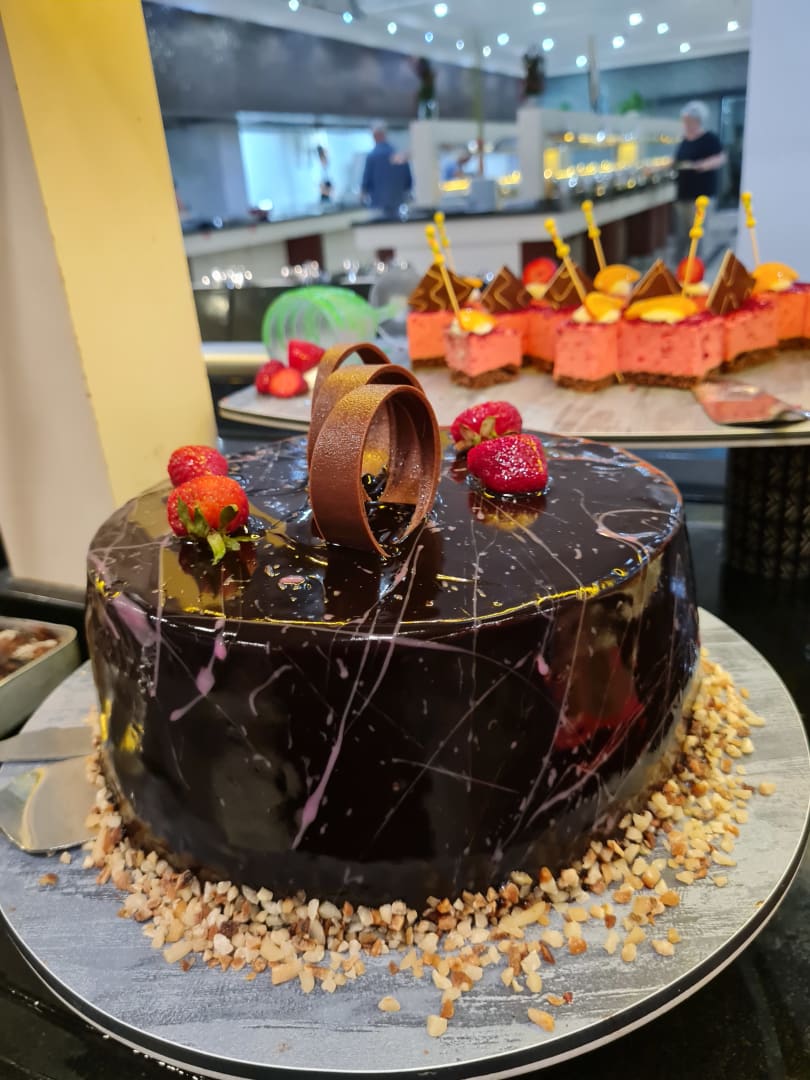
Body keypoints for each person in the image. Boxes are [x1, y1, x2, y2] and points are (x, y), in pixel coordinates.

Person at [673, 101, 726, 259]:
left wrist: (702, 165)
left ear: (697, 121)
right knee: (682, 231)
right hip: (683, 192)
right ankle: (681, 263)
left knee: (697, 231)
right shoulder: (685, 140)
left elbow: (721, 158)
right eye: (685, 121)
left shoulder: (709, 139)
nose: (686, 124)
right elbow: (676, 161)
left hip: (701, 194)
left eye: (688, 121)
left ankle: (696, 264)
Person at [361, 125, 412, 215]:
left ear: (375, 136)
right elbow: (408, 181)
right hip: (398, 205)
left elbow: (366, 182)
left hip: (378, 205)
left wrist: (363, 195)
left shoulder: (372, 157)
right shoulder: (397, 154)